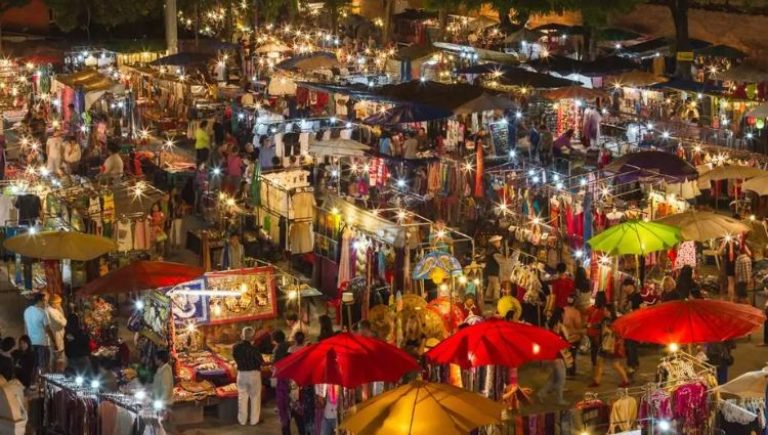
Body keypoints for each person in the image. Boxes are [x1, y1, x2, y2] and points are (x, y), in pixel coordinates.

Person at [590, 305, 630, 388]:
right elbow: (600, 326)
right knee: (599, 362)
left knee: (615, 364)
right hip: (604, 344)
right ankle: (597, 381)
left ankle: (626, 380)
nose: (604, 312)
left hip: (612, 345)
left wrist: (611, 331)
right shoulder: (604, 320)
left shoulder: (616, 321)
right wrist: (593, 325)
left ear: (610, 311)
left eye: (606, 310)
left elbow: (619, 333)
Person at [537, 308, 568, 406]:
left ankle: (541, 394)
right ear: (561, 314)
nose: (564, 316)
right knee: (561, 379)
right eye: (563, 314)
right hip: (557, 356)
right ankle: (559, 399)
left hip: (553, 356)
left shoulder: (551, 324)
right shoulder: (558, 325)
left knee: (553, 378)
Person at [233, 327, 264, 426]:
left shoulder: (236, 347)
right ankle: (254, 420)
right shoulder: (254, 349)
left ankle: (242, 420)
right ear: (252, 338)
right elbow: (261, 361)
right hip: (254, 374)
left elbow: (234, 357)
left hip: (241, 374)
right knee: (255, 397)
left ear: (242, 335)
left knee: (242, 397)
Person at [23, 292, 56, 378]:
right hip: (41, 343)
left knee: (34, 364)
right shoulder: (42, 312)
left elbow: (26, 327)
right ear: (40, 301)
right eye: (44, 301)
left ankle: (33, 383)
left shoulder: (27, 311)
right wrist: (54, 340)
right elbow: (47, 329)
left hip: (30, 343)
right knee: (43, 365)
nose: (45, 303)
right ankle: (43, 385)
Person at [288, 332, 312, 435]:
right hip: (304, 376)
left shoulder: (291, 349)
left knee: (294, 397)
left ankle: (296, 410)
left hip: (294, 376)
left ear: (294, 339)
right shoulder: (307, 348)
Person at [621, 279, 642, 375]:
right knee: (629, 345)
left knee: (631, 345)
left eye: (625, 286)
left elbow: (641, 311)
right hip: (628, 324)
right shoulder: (628, 297)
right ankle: (634, 364)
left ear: (630, 286)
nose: (623, 289)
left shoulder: (637, 297)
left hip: (634, 325)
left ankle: (632, 365)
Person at [273, 330, 292, 435]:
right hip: (294, 402)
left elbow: (280, 395)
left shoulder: (277, 349)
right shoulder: (289, 345)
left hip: (286, 400)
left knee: (285, 419)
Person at [585, 292, 607, 368]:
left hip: (590, 332)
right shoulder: (604, 310)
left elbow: (586, 320)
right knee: (599, 349)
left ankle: (594, 362)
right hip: (598, 332)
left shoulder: (590, 309)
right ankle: (597, 365)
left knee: (594, 348)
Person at [562, 297, 583, 376]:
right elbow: (578, 325)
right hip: (573, 337)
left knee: (565, 355)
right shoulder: (575, 312)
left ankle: (566, 371)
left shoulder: (562, 310)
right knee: (572, 356)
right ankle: (571, 371)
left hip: (564, 337)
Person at [46, 294, 67, 372]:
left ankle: (60, 369)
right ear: (53, 303)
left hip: (60, 333)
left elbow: (63, 319)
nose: (59, 304)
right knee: (57, 354)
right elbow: (61, 322)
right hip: (56, 334)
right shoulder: (50, 311)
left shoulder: (56, 309)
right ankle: (57, 371)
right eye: (58, 303)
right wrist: (64, 320)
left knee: (60, 354)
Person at [484, 235, 503, 305]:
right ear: (495, 243)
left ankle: (487, 300)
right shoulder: (495, 252)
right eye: (498, 242)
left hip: (489, 272)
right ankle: (496, 303)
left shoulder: (490, 250)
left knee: (490, 286)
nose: (500, 243)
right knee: (496, 288)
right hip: (494, 272)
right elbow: (500, 261)